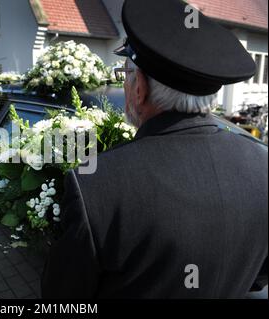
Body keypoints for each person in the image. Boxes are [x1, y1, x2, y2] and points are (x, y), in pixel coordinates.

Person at [41, 0, 267, 299]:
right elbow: (258, 277)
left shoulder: (95, 184)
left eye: (126, 74)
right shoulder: (262, 164)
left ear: (140, 89)